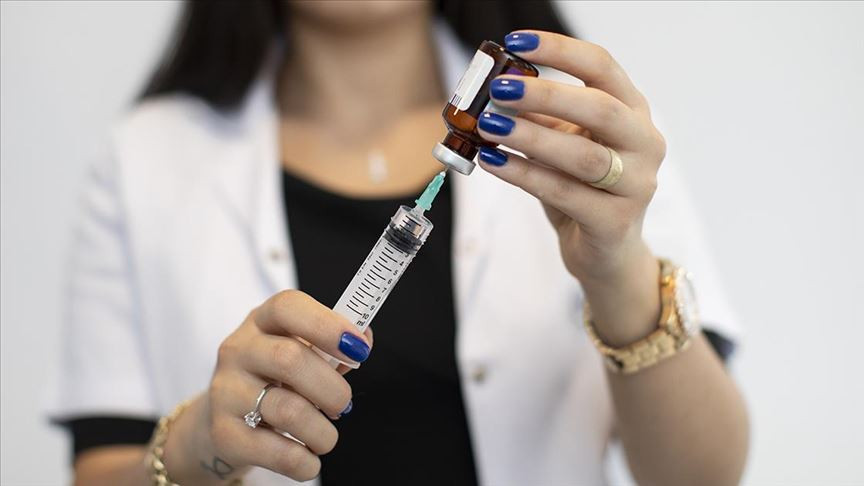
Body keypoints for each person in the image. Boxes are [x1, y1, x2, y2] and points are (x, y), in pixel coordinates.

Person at [49, 1, 749, 485]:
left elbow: (701, 476)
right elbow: (101, 468)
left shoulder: (592, 140)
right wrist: (202, 441)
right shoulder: (143, 160)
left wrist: (617, 269)